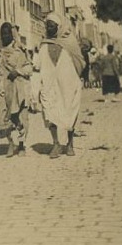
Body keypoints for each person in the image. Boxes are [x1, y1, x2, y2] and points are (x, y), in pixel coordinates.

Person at [38, 13, 84, 158]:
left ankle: (70, 143)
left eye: (52, 25)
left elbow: (80, 63)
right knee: (50, 111)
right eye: (47, 25)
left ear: (59, 26)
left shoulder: (70, 43)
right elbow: (40, 65)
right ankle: (56, 143)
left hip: (68, 84)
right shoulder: (44, 44)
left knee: (70, 111)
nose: (49, 28)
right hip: (50, 85)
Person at [0, 22, 33, 157]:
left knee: (20, 117)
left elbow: (29, 69)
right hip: (4, 89)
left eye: (7, 33)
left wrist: (18, 71)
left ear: (12, 34)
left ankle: (21, 145)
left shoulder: (19, 51)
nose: (5, 36)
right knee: (4, 117)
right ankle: (10, 143)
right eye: (3, 33)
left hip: (18, 89)